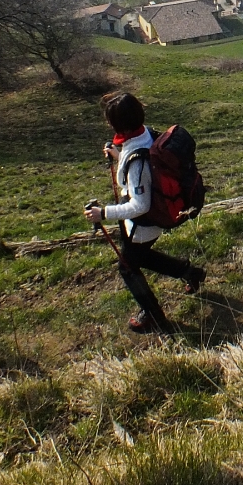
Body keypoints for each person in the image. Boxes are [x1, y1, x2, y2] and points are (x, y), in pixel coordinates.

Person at [84, 91, 205, 334]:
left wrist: (103, 213)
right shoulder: (147, 134)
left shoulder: (136, 160)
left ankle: (153, 316)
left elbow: (140, 204)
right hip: (155, 219)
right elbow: (143, 168)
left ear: (120, 126)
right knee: (141, 258)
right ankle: (191, 273)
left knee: (127, 267)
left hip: (143, 225)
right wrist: (119, 156)